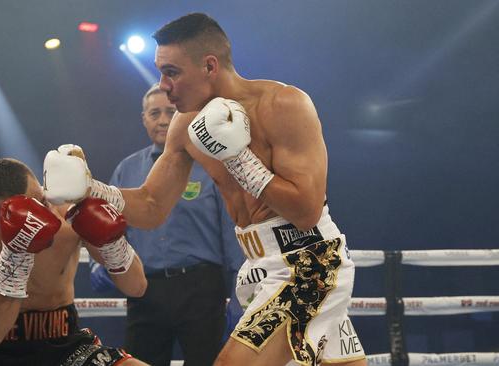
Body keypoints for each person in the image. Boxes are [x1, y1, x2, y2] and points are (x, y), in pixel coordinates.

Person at [42, 12, 367, 366]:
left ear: (209, 66)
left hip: (309, 261)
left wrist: (237, 157)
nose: (163, 84)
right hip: (259, 264)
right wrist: (91, 189)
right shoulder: (185, 124)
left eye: (172, 72)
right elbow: (152, 206)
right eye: (161, 72)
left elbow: (306, 212)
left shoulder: (282, 105)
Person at [88, 83, 245, 366]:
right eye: (154, 113)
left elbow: (232, 235)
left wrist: (239, 295)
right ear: (144, 118)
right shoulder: (127, 169)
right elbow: (106, 224)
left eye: (170, 112)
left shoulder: (211, 166)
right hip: (145, 288)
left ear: (184, 115)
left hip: (201, 287)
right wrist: (100, 264)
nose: (162, 120)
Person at [0, 158, 149, 366]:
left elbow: (137, 287)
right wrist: (17, 251)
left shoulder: (68, 212)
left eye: (41, 201)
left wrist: (113, 244)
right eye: (29, 212)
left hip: (66, 345)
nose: (44, 215)